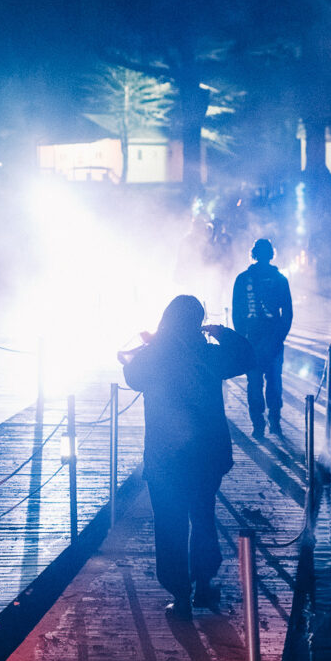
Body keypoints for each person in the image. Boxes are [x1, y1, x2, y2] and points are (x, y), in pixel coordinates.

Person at [119, 295, 254, 621]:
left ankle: (179, 596)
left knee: (169, 526)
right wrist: (220, 331)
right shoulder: (207, 355)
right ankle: (204, 585)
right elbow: (247, 356)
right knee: (203, 518)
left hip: (165, 457)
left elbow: (131, 375)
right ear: (198, 322)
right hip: (205, 455)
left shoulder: (153, 358)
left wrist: (152, 344)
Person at [231, 238, 293, 437]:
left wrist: (242, 338)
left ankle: (259, 425)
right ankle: (274, 422)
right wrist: (280, 335)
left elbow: (236, 312)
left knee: (255, 383)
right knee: (274, 381)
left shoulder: (242, 279)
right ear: (270, 254)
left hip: (252, 339)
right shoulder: (280, 280)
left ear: (254, 254)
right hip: (272, 338)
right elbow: (288, 313)